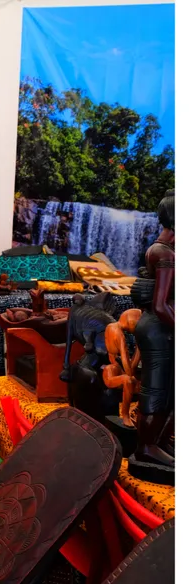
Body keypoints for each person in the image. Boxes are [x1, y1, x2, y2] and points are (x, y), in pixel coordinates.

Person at [131, 189, 174, 468]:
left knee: (170, 389)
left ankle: (159, 440)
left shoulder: (164, 250)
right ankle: (146, 446)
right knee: (157, 389)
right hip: (159, 328)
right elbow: (160, 305)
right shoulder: (163, 253)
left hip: (163, 327)